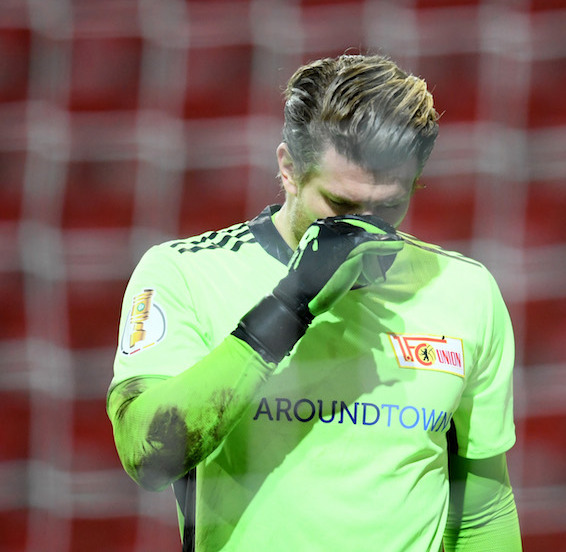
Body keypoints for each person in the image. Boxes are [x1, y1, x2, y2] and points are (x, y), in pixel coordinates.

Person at [106, 54, 521, 551]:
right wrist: (288, 306)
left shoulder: (465, 289)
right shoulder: (186, 273)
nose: (365, 229)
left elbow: (482, 505)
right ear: (289, 169)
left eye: (389, 205)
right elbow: (148, 457)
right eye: (340, 205)